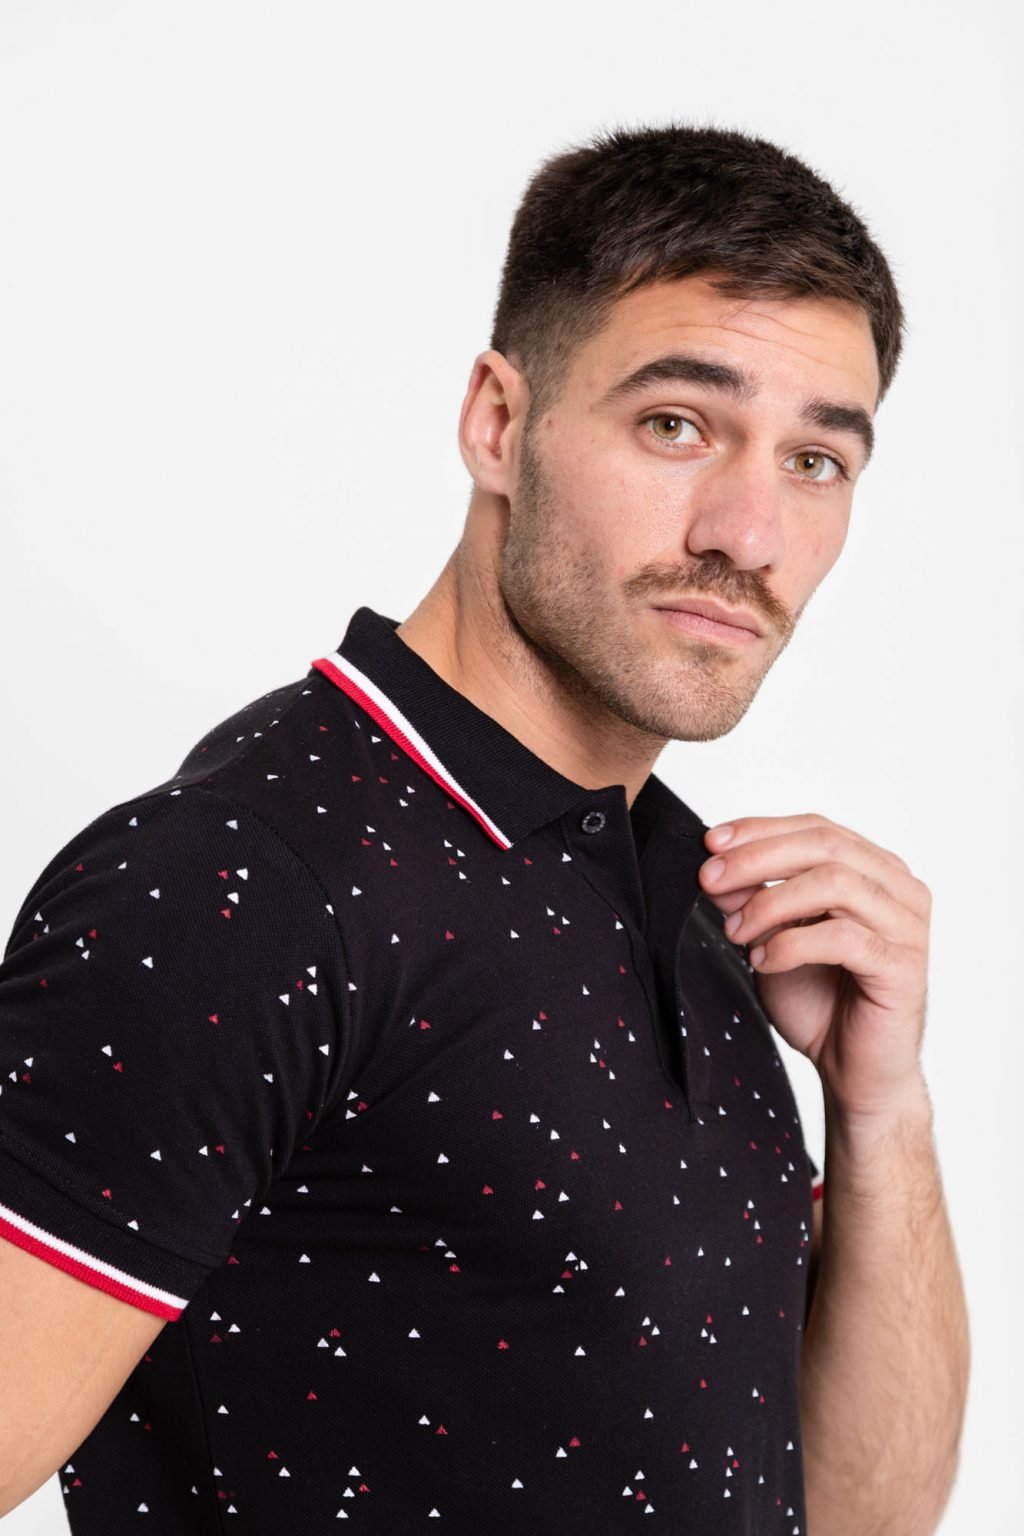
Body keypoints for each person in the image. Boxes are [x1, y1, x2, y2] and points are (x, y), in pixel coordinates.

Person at [0, 123, 969, 1534]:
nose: (749, 534)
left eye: (817, 460)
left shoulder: (695, 901)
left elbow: (866, 1517)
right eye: (677, 424)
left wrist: (883, 1112)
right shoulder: (244, 882)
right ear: (499, 424)